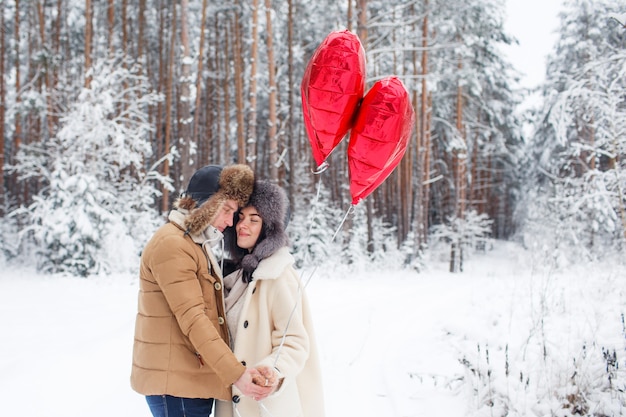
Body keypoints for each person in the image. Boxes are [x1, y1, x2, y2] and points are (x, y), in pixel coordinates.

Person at [131, 164, 274, 417]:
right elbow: (194, 318)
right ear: (206, 203)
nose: (230, 222)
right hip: (176, 385)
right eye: (227, 210)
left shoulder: (193, 244)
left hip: (188, 380)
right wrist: (236, 374)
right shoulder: (173, 245)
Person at [215, 180, 325, 417]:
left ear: (268, 229)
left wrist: (273, 370)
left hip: (264, 405)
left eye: (254, 220)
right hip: (233, 402)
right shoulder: (233, 275)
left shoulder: (277, 275)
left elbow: (294, 341)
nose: (243, 225)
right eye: (241, 217)